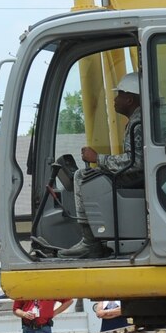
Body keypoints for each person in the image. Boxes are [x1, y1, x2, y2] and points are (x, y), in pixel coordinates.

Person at [58, 71, 148, 258]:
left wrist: (98, 159)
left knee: (83, 177)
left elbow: (137, 162)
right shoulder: (139, 120)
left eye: (119, 95)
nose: (115, 100)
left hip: (136, 179)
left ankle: (91, 242)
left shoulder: (138, 124)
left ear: (130, 100)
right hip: (137, 178)